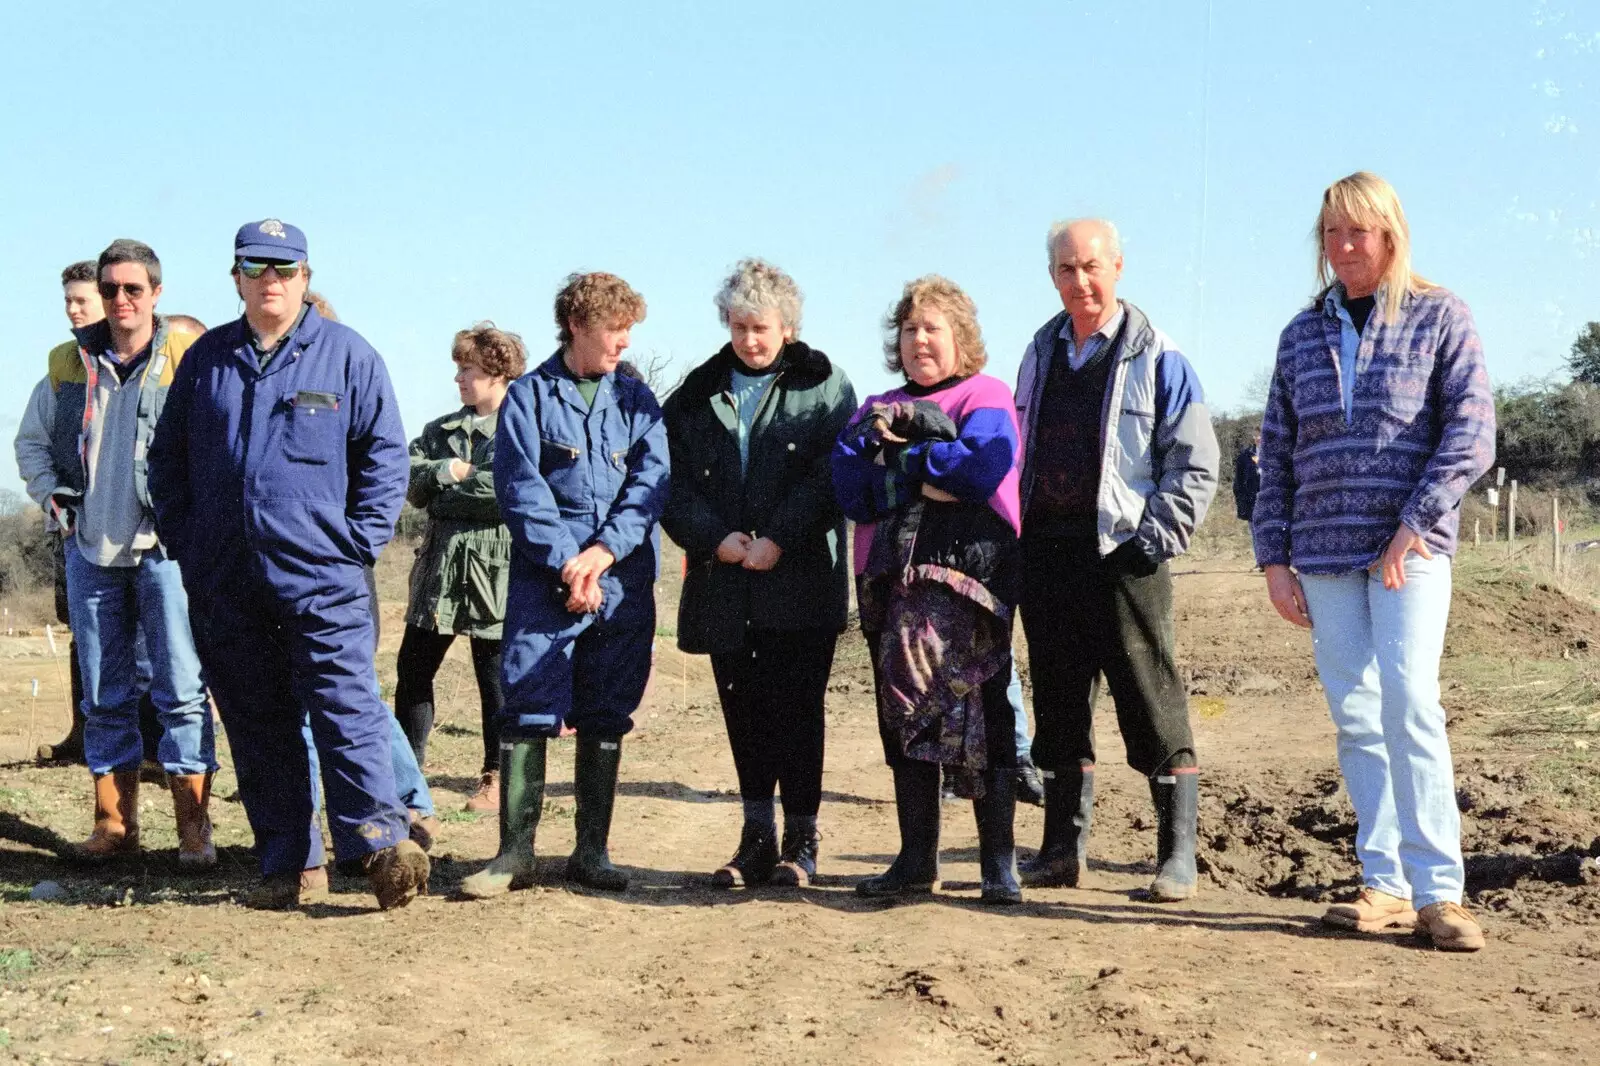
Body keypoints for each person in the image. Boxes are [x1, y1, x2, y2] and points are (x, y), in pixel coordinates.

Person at [148, 219, 429, 910]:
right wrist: (190, 544)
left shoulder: (348, 356)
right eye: (256, 268)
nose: (270, 280)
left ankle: (381, 847)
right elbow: (166, 459)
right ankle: (288, 864)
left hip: (322, 577)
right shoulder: (207, 359)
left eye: (284, 269)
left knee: (345, 705)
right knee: (256, 715)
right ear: (236, 276)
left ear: (305, 278)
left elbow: (385, 458)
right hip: (226, 578)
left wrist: (357, 541)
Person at [1254, 172, 1496, 952]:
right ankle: (1384, 882)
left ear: (1390, 235)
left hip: (1409, 552)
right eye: (1331, 232)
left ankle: (1442, 894)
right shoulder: (1300, 334)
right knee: (1356, 716)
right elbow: (1277, 453)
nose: (1343, 246)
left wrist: (1412, 524)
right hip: (1322, 554)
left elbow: (1471, 433)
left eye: (1358, 231)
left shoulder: (1440, 316)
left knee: (1410, 702)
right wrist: (1273, 558)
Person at [1014, 218, 1218, 901]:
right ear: (1052, 277)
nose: (1081, 281)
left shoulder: (1159, 355)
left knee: (1151, 701)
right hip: (1048, 555)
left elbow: (1195, 464)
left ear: (1119, 266)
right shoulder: (1039, 353)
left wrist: (1150, 540)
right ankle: (1060, 852)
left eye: (1092, 266)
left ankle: (1177, 855)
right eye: (1067, 270)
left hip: (1124, 557)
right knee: (1060, 708)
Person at [462, 272, 667, 899]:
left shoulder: (638, 401)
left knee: (607, 709)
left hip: (621, 578)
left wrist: (602, 555)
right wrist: (568, 563)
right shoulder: (528, 397)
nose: (624, 344)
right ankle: (515, 853)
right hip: (545, 582)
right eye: (615, 330)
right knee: (525, 704)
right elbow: (521, 489)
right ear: (578, 325)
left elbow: (650, 485)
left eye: (630, 332)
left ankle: (591, 852)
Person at [661, 259, 856, 888]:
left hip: (799, 578)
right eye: (740, 326)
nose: (750, 339)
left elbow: (833, 475)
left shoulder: (827, 385)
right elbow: (671, 484)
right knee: (743, 713)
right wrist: (714, 539)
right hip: (725, 581)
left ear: (789, 327)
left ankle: (802, 843)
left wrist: (778, 538)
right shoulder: (693, 392)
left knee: (798, 709)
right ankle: (754, 840)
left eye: (763, 327)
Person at [832, 275, 1024, 905]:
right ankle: (917, 861)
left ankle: (998, 865)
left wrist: (901, 459)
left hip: (973, 579)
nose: (919, 339)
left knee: (984, 709)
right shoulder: (876, 407)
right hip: (890, 585)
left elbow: (981, 468)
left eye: (932, 327)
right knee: (902, 710)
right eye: (910, 328)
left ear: (960, 336)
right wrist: (927, 463)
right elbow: (850, 488)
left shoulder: (986, 394)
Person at [42, 241, 219, 868]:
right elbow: (34, 441)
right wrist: (54, 502)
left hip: (165, 552)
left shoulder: (187, 357)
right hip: (91, 552)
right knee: (103, 692)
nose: (120, 301)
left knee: (180, 688)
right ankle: (113, 824)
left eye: (133, 290)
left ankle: (194, 827)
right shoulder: (69, 362)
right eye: (111, 289)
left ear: (156, 294)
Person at [396, 322, 523, 812]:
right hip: (440, 568)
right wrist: (445, 472)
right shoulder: (440, 431)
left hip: (498, 567)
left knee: (493, 678)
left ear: (496, 372)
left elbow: (508, 491)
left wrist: (446, 493)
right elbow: (408, 480)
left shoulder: (521, 425)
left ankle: (495, 775)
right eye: (458, 371)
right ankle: (408, 775)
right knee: (412, 668)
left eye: (467, 371)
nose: (459, 381)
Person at [17, 261, 109, 765]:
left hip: (141, 535)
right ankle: (84, 732)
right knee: (80, 628)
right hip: (75, 531)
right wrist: (52, 497)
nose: (73, 310)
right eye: (68, 301)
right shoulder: (60, 367)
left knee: (146, 641)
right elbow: (30, 443)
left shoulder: (154, 360)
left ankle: (155, 748)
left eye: (82, 300)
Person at [1234, 431, 1261, 521]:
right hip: (1253, 508)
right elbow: (1238, 484)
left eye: (1262, 434)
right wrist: (1242, 507)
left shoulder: (1279, 454)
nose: (1259, 438)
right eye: (1256, 435)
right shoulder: (1244, 456)